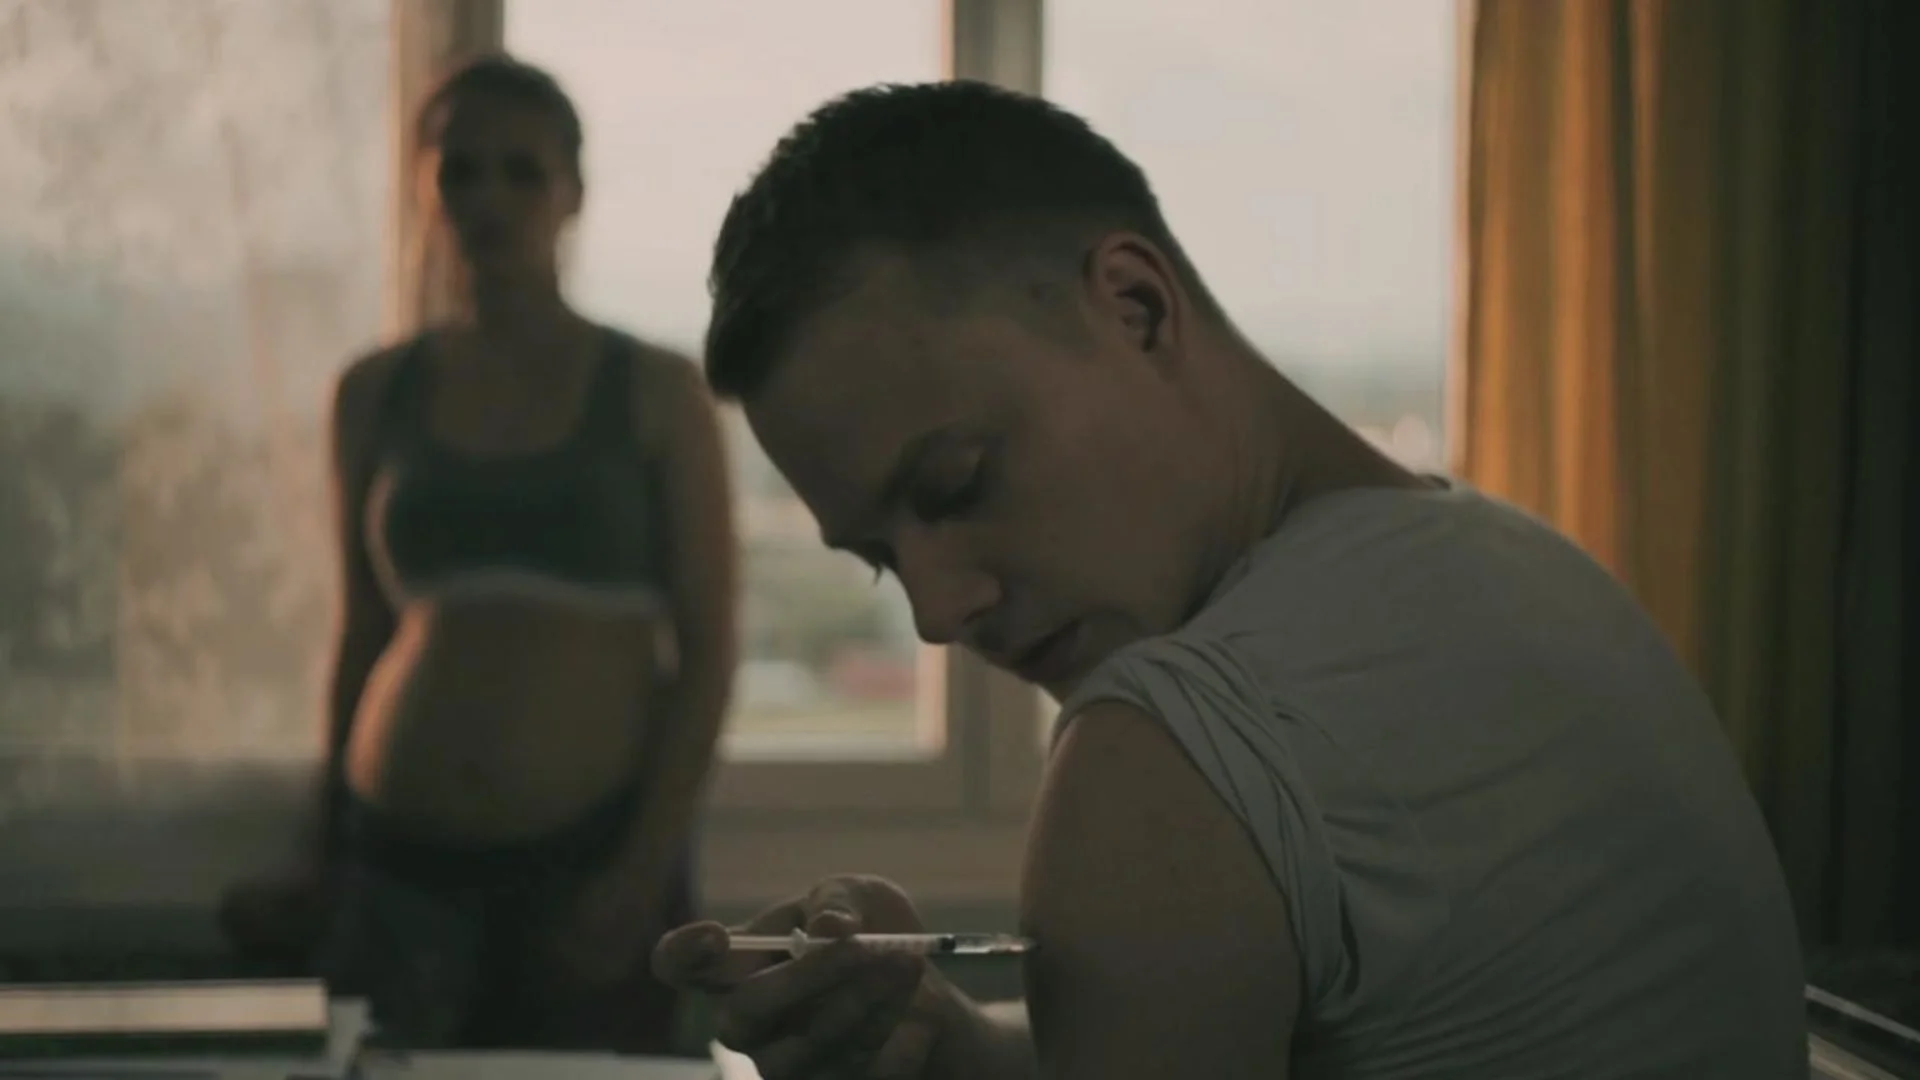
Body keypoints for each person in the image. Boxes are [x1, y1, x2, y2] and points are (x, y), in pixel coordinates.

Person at [651, 81, 1807, 1079]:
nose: (942, 612)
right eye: (882, 560)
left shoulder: (1166, 760)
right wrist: (950, 1043)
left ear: (1136, 307)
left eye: (957, 484)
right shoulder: (1517, 567)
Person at [220, 54, 737, 1053]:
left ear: (572, 192)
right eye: (460, 170)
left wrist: (638, 872)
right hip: (398, 870)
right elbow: (363, 630)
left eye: (521, 170)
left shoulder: (657, 391)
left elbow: (709, 654)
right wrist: (323, 851)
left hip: (588, 863)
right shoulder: (375, 391)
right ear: (421, 188)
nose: (487, 197)